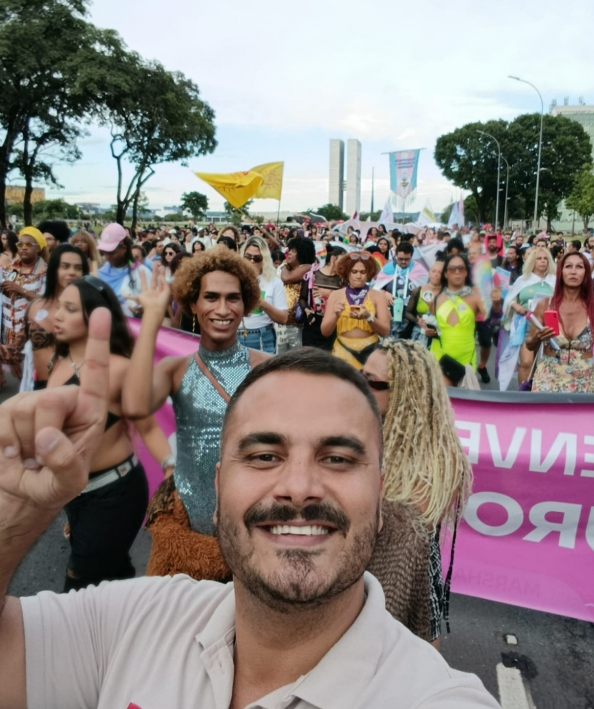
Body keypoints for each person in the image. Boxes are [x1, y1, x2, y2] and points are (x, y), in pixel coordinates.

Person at [0, 339, 500, 708]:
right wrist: (10, 519)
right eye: (264, 455)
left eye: (339, 459)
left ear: (380, 496)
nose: (299, 486)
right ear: (217, 490)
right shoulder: (135, 620)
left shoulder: (431, 695)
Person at [121, 247, 270, 579]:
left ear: (245, 305)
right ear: (192, 303)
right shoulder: (175, 369)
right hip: (188, 530)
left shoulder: (267, 369)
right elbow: (134, 406)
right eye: (211, 297)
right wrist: (151, 320)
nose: (222, 309)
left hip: (252, 527)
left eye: (233, 298)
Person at [48, 277, 171, 590]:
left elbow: (147, 426)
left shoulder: (118, 368)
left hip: (115, 493)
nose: (57, 314)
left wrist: (173, 471)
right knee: (110, 574)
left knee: (79, 585)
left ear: (96, 317)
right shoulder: (58, 360)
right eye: (59, 305)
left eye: (70, 308)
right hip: (77, 495)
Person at [364, 339, 472, 646]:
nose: (361, 386)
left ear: (404, 391)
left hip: (409, 581)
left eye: (371, 382)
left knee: (412, 671)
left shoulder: (440, 456)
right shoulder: (357, 428)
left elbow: (408, 529)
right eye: (360, 375)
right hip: (354, 575)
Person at [526, 252, 594, 393]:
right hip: (548, 379)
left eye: (579, 267)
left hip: (585, 382)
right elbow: (529, 344)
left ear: (586, 273)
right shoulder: (545, 304)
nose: (573, 271)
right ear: (561, 272)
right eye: (568, 266)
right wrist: (538, 337)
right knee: (545, 415)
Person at [19, 244, 89, 391]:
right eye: (65, 266)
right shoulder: (34, 308)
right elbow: (18, 348)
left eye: (78, 268)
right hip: (39, 387)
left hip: (76, 389)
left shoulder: (90, 310)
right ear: (54, 270)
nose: (72, 272)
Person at [430, 255, 500, 374]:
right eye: (452, 269)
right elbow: (433, 327)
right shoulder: (437, 299)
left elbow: (494, 321)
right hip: (439, 356)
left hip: (465, 359)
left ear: (466, 272)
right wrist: (429, 331)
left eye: (461, 268)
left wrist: (497, 304)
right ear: (446, 274)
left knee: (463, 392)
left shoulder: (476, 297)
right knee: (442, 392)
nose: (457, 272)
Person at [499, 247, 556, 388]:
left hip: (549, 328)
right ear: (532, 261)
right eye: (539, 258)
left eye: (545, 259)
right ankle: (523, 395)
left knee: (543, 363)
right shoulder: (523, 280)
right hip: (526, 326)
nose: (543, 261)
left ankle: (536, 392)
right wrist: (515, 305)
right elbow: (509, 299)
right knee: (526, 363)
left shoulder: (555, 281)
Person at [322, 252, 390, 368]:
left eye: (363, 272)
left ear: (368, 273)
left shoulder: (378, 296)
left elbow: (385, 332)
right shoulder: (335, 295)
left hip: (369, 354)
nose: (358, 276)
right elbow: (325, 332)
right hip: (342, 352)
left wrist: (369, 317)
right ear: (347, 272)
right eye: (354, 272)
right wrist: (336, 315)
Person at [0, 228, 48, 381]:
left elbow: (46, 302)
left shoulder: (45, 272)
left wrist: (21, 290)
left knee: (35, 376)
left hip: (32, 332)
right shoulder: (10, 269)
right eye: (20, 245)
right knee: (20, 375)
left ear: (39, 248)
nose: (24, 248)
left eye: (29, 245)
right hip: (9, 332)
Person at [238, 237, 287, 353]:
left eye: (257, 258)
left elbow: (283, 318)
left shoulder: (274, 282)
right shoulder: (234, 279)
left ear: (264, 260)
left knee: (262, 371)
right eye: (248, 257)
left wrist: (262, 303)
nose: (251, 261)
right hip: (235, 336)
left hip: (263, 336)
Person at [96, 222, 152, 317]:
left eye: (112, 252)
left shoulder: (141, 273)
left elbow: (153, 306)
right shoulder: (99, 274)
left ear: (124, 248)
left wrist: (144, 309)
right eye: (104, 252)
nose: (107, 257)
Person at [300, 244, 346, 350]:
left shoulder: (342, 279)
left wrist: (329, 293)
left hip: (333, 323)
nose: (345, 264)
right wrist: (307, 310)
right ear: (333, 258)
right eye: (343, 260)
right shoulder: (313, 275)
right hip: (313, 323)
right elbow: (302, 298)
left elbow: (347, 297)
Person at [278, 237, 316, 353]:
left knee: (294, 358)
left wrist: (284, 265)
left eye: (293, 251)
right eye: (289, 249)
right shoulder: (289, 268)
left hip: (295, 325)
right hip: (280, 323)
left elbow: (287, 278)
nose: (289, 253)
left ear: (302, 252)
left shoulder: (307, 267)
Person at [375, 241, 419, 339]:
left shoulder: (418, 269)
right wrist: (384, 293)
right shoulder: (388, 268)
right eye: (400, 259)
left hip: (410, 317)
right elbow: (375, 289)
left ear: (412, 256)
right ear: (396, 255)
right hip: (390, 314)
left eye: (407, 259)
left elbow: (425, 289)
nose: (403, 262)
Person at [404, 259, 444, 346]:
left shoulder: (446, 294)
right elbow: (407, 312)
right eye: (434, 271)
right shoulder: (418, 290)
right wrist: (417, 320)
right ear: (429, 273)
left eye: (440, 272)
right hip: (418, 335)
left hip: (438, 336)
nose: (436, 274)